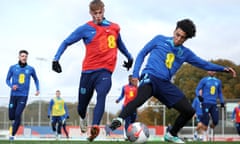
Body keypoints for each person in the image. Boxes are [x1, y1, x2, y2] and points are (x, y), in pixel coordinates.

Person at [109, 19, 236, 144]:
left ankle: (171, 134)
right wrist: (136, 74)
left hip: (165, 84)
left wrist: (222, 69)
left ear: (186, 39)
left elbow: (203, 64)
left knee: (189, 111)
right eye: (177, 35)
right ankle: (119, 120)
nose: (178, 39)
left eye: (182, 38)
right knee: (138, 99)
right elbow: (142, 53)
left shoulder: (185, 53)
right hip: (150, 77)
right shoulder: (159, 39)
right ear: (174, 31)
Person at [52, 0, 133, 141]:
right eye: (95, 13)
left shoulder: (114, 27)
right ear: (90, 13)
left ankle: (95, 127)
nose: (98, 16)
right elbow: (66, 42)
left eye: (100, 13)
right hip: (88, 73)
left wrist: (129, 57)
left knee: (102, 95)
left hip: (105, 71)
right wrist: (56, 59)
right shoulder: (85, 28)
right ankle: (83, 119)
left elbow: (120, 44)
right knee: (81, 107)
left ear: (104, 11)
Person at [6, 50, 40, 141]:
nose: (24, 57)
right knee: (11, 116)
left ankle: (12, 135)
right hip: (13, 95)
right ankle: (15, 123)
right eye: (22, 56)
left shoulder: (31, 69)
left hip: (23, 95)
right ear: (19, 57)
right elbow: (7, 80)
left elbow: (36, 80)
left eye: (25, 56)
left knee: (18, 114)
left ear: (27, 57)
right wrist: (11, 86)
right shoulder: (13, 68)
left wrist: (37, 89)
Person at [195, 71, 225, 141]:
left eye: (213, 70)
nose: (211, 72)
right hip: (205, 103)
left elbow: (220, 92)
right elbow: (197, 89)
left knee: (216, 120)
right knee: (206, 120)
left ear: (215, 72)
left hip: (214, 103)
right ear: (208, 71)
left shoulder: (218, 81)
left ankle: (210, 129)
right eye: (210, 70)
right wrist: (199, 96)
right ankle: (205, 135)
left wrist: (222, 101)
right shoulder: (204, 80)